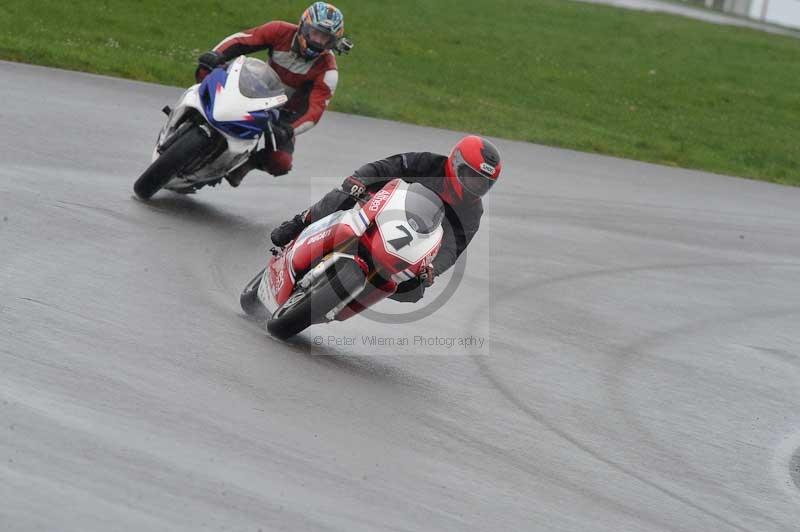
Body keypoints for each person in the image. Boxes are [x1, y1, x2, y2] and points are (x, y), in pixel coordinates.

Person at [270, 135, 503, 302]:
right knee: (342, 196)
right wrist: (359, 180)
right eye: (472, 176)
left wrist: (433, 269)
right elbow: (383, 167)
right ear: (455, 163)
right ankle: (301, 222)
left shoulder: (473, 212)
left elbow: (453, 249)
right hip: (380, 208)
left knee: (414, 292)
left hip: (410, 244)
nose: (476, 185)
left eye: (483, 182)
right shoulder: (427, 163)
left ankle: (345, 300)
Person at [194, 2, 350, 186]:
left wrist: (290, 129)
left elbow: (314, 111)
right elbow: (242, 40)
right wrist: (216, 54)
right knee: (205, 70)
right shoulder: (279, 30)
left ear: (332, 42)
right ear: (303, 26)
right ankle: (195, 109)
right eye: (315, 33)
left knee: (281, 162)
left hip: (284, 113)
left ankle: (246, 164)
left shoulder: (328, 71)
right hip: (257, 89)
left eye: (325, 38)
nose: (317, 41)